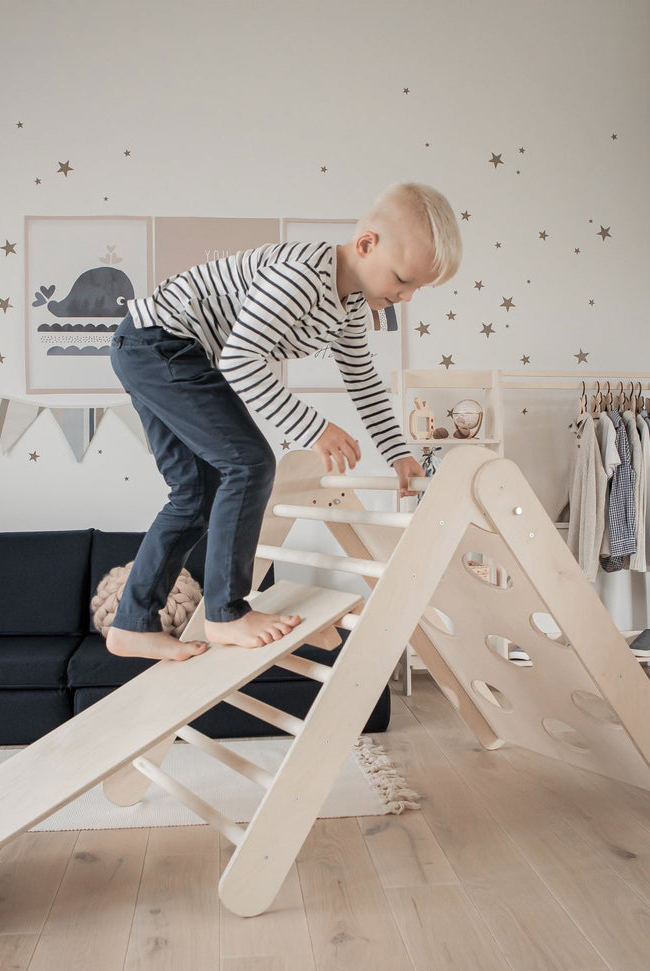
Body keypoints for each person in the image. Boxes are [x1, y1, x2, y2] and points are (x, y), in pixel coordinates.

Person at [106, 182, 462, 661]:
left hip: (153, 350)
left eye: (418, 287)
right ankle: (226, 613)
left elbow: (363, 379)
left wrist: (399, 452)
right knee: (249, 465)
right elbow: (240, 360)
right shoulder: (302, 276)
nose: (407, 296)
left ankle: (132, 624)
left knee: (195, 494)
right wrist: (314, 428)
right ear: (366, 245)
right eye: (403, 279)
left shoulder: (351, 303)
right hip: (161, 345)